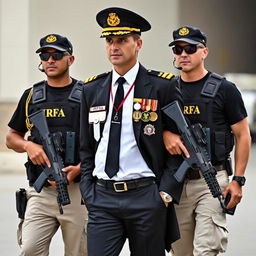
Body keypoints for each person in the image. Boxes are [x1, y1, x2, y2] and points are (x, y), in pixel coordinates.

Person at [79, 7, 184, 256]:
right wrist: (88, 189)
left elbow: (182, 145)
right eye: (109, 41)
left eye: (122, 40)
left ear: (138, 43)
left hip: (146, 197)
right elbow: (86, 146)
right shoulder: (91, 89)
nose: (114, 47)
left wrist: (166, 192)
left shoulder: (162, 86)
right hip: (101, 198)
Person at [164, 26, 251, 256]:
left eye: (190, 48)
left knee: (206, 250)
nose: (183, 54)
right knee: (180, 251)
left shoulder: (225, 89)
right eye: (178, 49)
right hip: (176, 183)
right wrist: (166, 135)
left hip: (211, 180)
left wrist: (238, 180)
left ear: (204, 52)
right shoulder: (165, 89)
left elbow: (243, 135)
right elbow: (150, 129)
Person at [6, 34, 87, 256]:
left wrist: (80, 168)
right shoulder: (32, 95)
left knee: (79, 252)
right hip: (41, 192)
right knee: (30, 249)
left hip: (77, 191)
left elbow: (101, 142)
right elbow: (11, 136)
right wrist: (28, 146)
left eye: (57, 55)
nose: (50, 60)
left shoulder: (86, 94)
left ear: (70, 59)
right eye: (45, 55)